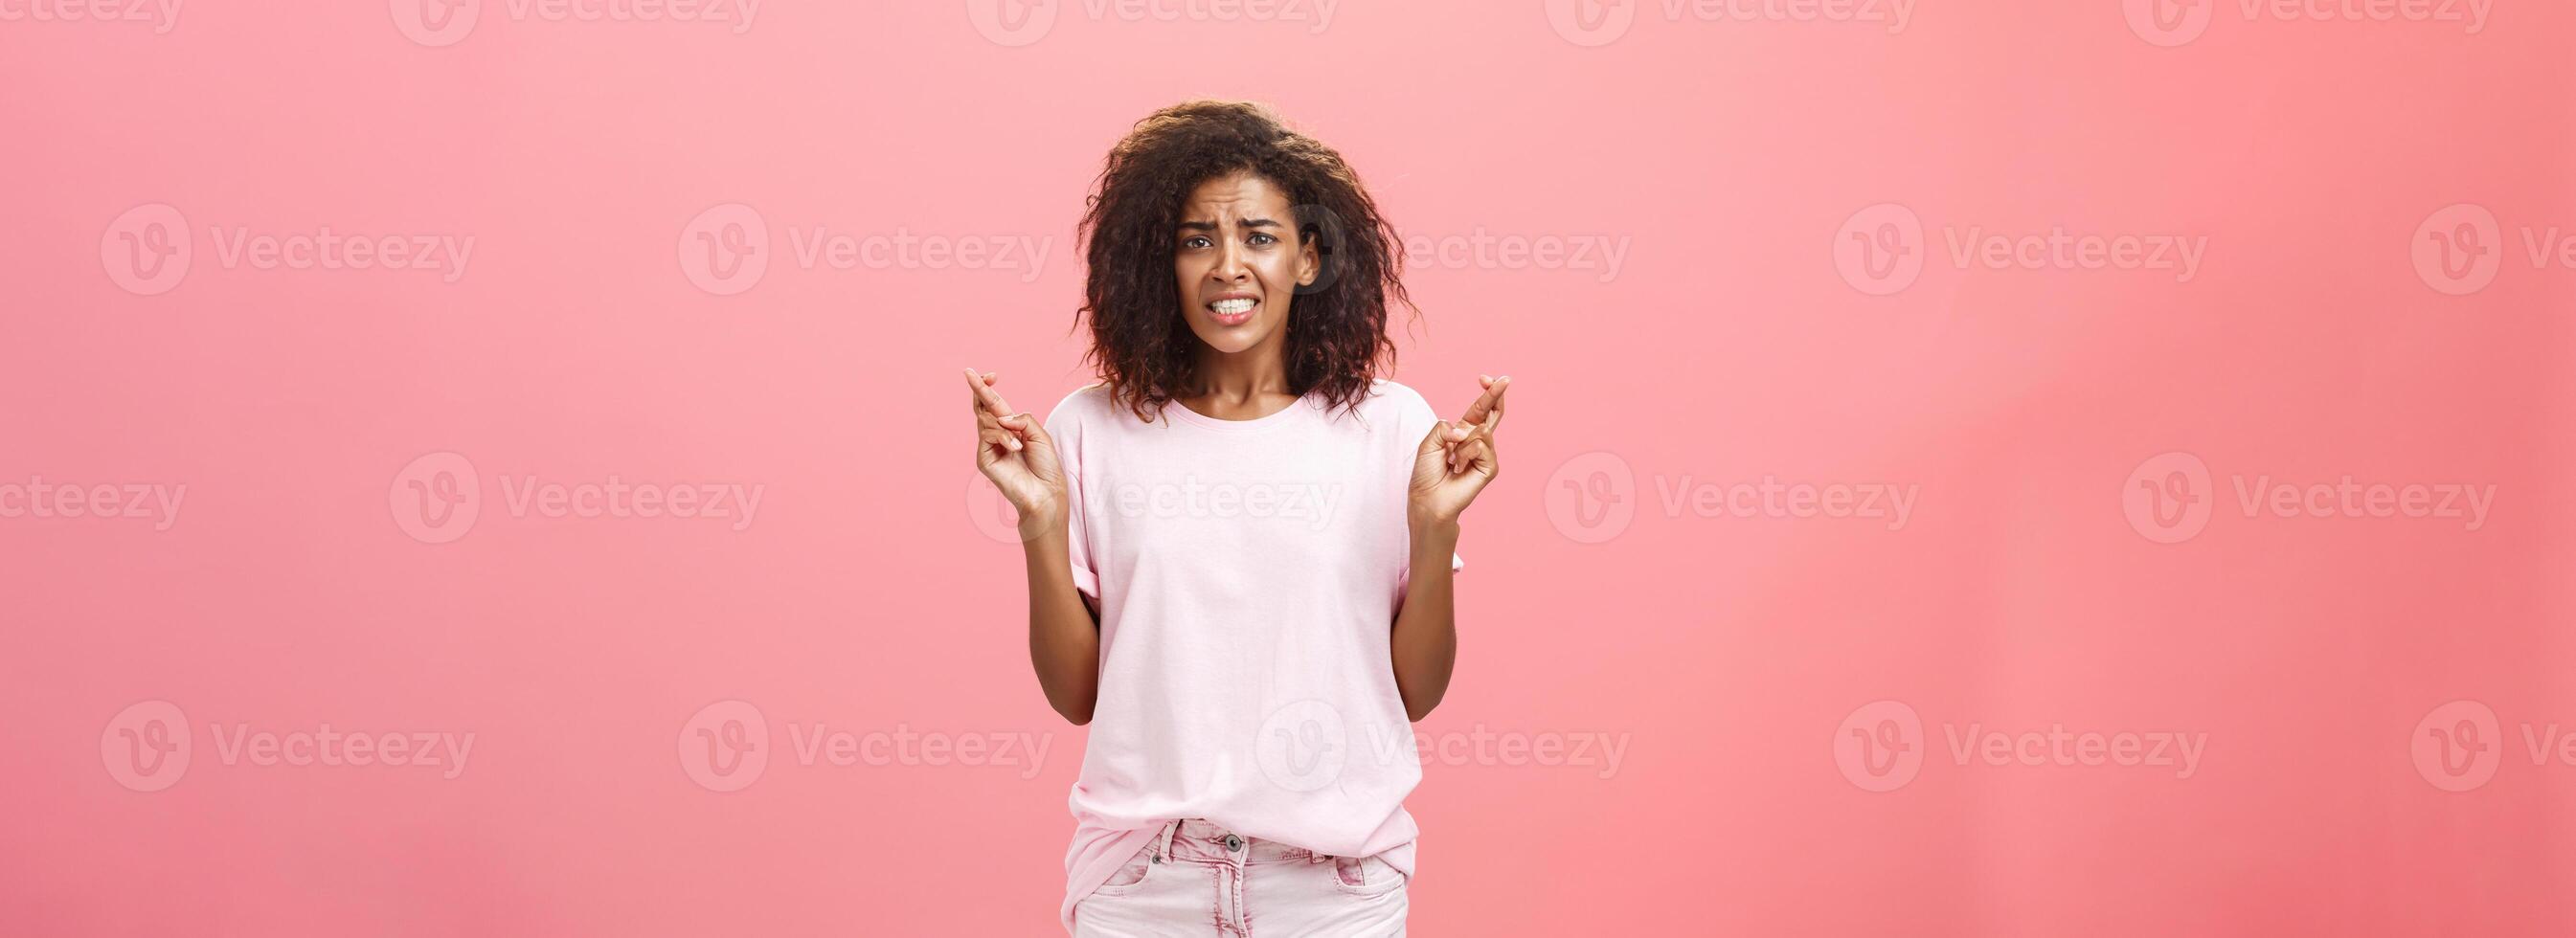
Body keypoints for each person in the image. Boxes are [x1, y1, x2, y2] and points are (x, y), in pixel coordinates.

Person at [966, 100, 1509, 936]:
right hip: (1145, 883)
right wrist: (1040, 521)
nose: (1228, 265)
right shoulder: (1088, 430)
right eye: (1197, 240)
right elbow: (1076, 698)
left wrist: (1436, 534)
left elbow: (1416, 693)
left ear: (1309, 257)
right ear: (1163, 263)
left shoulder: (1391, 429)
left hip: (1334, 890)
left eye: (1258, 237)